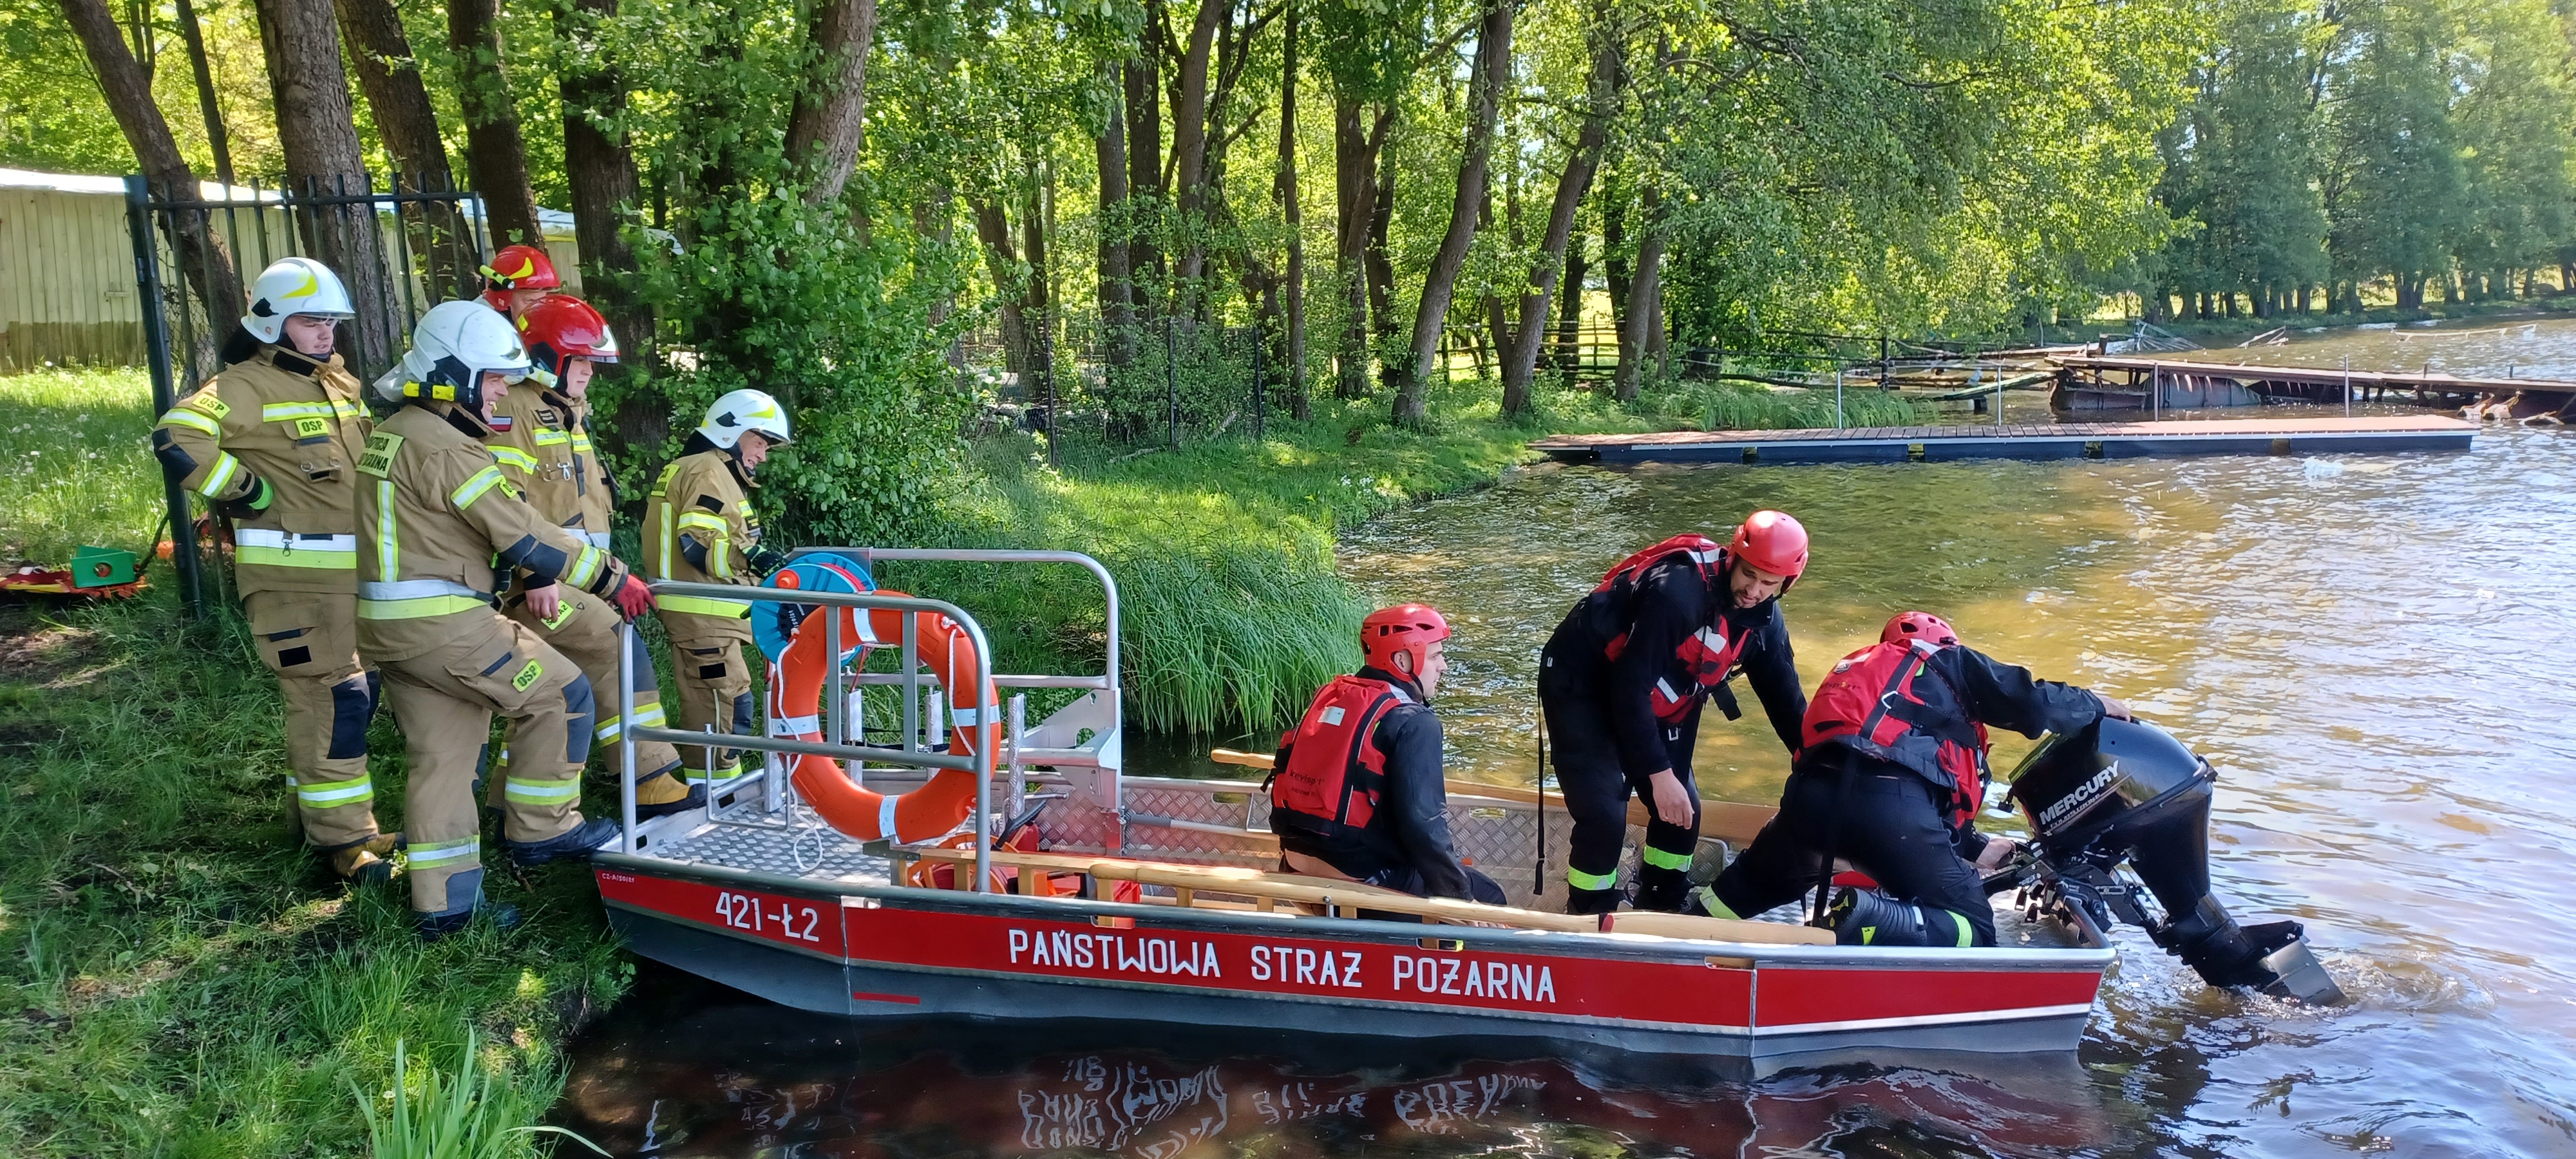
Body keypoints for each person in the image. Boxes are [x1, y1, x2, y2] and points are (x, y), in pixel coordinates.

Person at [357, 300, 657, 937]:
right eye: (492, 377)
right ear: (452, 377)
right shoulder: (447, 450)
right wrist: (612, 579)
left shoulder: (394, 433)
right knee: (563, 694)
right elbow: (523, 534)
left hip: (391, 631)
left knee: (442, 759)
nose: (500, 390)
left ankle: (446, 907)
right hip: (446, 626)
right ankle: (543, 828)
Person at [151, 256, 402, 881]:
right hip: (292, 585)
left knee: (350, 696)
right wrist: (245, 489)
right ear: (272, 323)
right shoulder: (244, 386)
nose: (326, 332)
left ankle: (314, 820)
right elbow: (176, 437)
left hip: (347, 582)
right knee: (334, 699)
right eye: (311, 321)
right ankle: (345, 843)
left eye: (331, 322)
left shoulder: (335, 383)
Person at [1698, 612, 2130, 948]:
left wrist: (1976, 848)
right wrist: (2095, 703)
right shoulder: (1946, 661)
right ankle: (1869, 919)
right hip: (1889, 810)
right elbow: (2031, 702)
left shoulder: (1857, 671)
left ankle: (1684, 923)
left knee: (1745, 889)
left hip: (1808, 803)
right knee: (1976, 927)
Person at [481, 296, 701, 820]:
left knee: (557, 681)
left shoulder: (565, 413)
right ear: (546, 357)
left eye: (590, 362)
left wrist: (607, 574)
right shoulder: (515, 408)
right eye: (579, 360)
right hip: (538, 580)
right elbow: (507, 500)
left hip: (578, 575)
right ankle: (649, 778)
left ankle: (506, 799)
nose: (588, 372)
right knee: (617, 646)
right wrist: (535, 573)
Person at [1537, 512, 1811, 915]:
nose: (1753, 591)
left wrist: (1818, 767)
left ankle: (1661, 902)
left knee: (1684, 812)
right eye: (1748, 574)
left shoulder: (1764, 623)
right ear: (1733, 558)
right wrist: (1659, 773)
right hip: (1584, 684)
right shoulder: (1678, 594)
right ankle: (1590, 911)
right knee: (1604, 814)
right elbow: (1630, 688)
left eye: (1769, 583)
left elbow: (1788, 704)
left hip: (1657, 693)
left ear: (1787, 583)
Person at [1269, 605, 1505, 903]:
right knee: (1490, 896)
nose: (1443, 666)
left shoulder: (1332, 695)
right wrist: (1461, 899)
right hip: (1361, 881)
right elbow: (1423, 824)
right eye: (1435, 656)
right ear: (1402, 660)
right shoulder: (1415, 721)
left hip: (1295, 865)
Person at [641, 390, 791, 786]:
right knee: (725, 705)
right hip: (702, 614)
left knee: (716, 703)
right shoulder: (708, 470)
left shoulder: (708, 470)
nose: (763, 455)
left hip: (707, 615)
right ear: (732, 432)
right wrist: (753, 556)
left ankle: (708, 789)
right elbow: (697, 543)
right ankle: (716, 794)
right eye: (760, 442)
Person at [478, 243, 560, 321]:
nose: (537, 311)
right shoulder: (481, 322)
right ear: (501, 299)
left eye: (542, 302)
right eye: (530, 301)